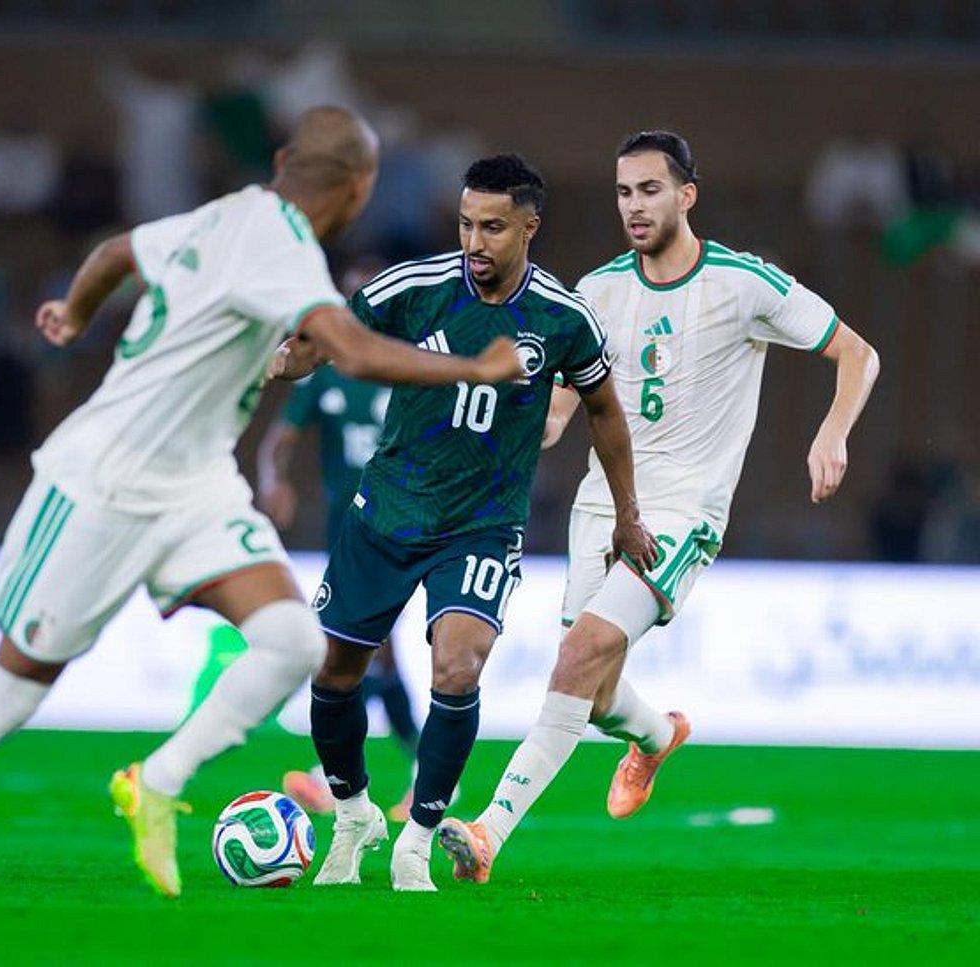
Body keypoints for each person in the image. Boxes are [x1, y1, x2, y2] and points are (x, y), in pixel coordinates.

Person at [0, 105, 526, 913]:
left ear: (282, 161)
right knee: (10, 694)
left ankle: (156, 781)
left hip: (195, 486)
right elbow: (359, 352)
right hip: (101, 484)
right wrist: (476, 368)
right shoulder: (285, 253)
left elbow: (114, 253)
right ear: (360, 188)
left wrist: (75, 313)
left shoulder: (222, 215)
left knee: (294, 640)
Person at [437, 130, 881, 884]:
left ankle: (488, 832)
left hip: (682, 511)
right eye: (623, 192)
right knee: (595, 690)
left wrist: (832, 432)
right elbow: (559, 411)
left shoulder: (743, 283)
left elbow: (858, 353)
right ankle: (655, 734)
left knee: (576, 657)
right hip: (602, 504)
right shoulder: (597, 291)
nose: (634, 206)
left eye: (649, 189)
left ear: (687, 195)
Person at [277, 153, 657, 892]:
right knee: (335, 670)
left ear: (529, 227)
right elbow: (330, 336)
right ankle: (353, 816)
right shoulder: (415, 287)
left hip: (482, 524)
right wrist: (291, 357)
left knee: (457, 666)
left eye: (491, 227)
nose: (474, 242)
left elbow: (606, 411)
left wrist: (627, 515)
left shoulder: (563, 317)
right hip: (387, 511)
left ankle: (417, 838)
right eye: (464, 224)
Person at [257, 261, 420, 821]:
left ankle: (333, 778)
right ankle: (422, 770)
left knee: (357, 649)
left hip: (398, 527)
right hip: (345, 532)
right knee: (373, 655)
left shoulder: (407, 367)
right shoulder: (325, 374)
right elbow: (279, 439)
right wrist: (274, 481)